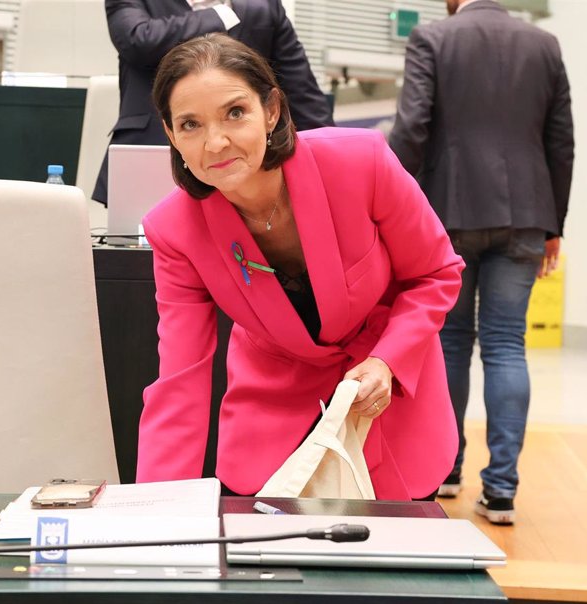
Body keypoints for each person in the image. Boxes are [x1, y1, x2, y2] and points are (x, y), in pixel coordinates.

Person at [138, 33, 464, 500]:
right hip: (271, 414)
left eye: (235, 113)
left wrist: (387, 360)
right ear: (171, 135)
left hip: (385, 400)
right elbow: (179, 380)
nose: (216, 142)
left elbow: (435, 273)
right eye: (190, 124)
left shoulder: (360, 162)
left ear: (271, 110)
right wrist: (155, 511)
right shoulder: (174, 231)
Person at [389, 0, 574, 523]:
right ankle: (501, 491)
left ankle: (444, 470)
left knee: (449, 343)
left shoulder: (434, 39)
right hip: (526, 216)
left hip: (449, 213)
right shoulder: (545, 45)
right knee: (506, 344)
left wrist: (392, 209)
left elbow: (411, 128)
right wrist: (553, 224)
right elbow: (562, 143)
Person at [92, 0, 334, 204]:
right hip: (150, 156)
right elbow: (138, 40)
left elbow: (303, 96)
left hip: (249, 169)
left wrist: (331, 166)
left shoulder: (263, 5)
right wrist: (221, 14)